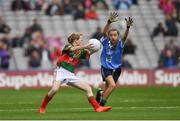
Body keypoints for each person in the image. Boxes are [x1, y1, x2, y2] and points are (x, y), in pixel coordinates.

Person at [39, 33, 112, 113]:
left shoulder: (80, 51)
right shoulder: (68, 46)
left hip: (70, 74)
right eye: (81, 40)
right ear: (75, 41)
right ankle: (42, 108)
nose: (82, 41)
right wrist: (85, 46)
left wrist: (96, 48)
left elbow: (88, 53)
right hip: (60, 71)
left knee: (88, 88)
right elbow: (72, 49)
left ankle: (98, 108)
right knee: (54, 90)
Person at [95, 12, 133, 106]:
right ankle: (100, 106)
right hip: (106, 68)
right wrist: (108, 22)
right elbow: (104, 33)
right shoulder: (105, 41)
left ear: (117, 36)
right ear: (109, 36)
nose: (112, 37)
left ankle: (100, 94)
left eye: (115, 35)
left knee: (109, 88)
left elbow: (124, 37)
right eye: (111, 35)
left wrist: (127, 28)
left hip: (117, 69)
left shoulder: (120, 43)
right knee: (112, 85)